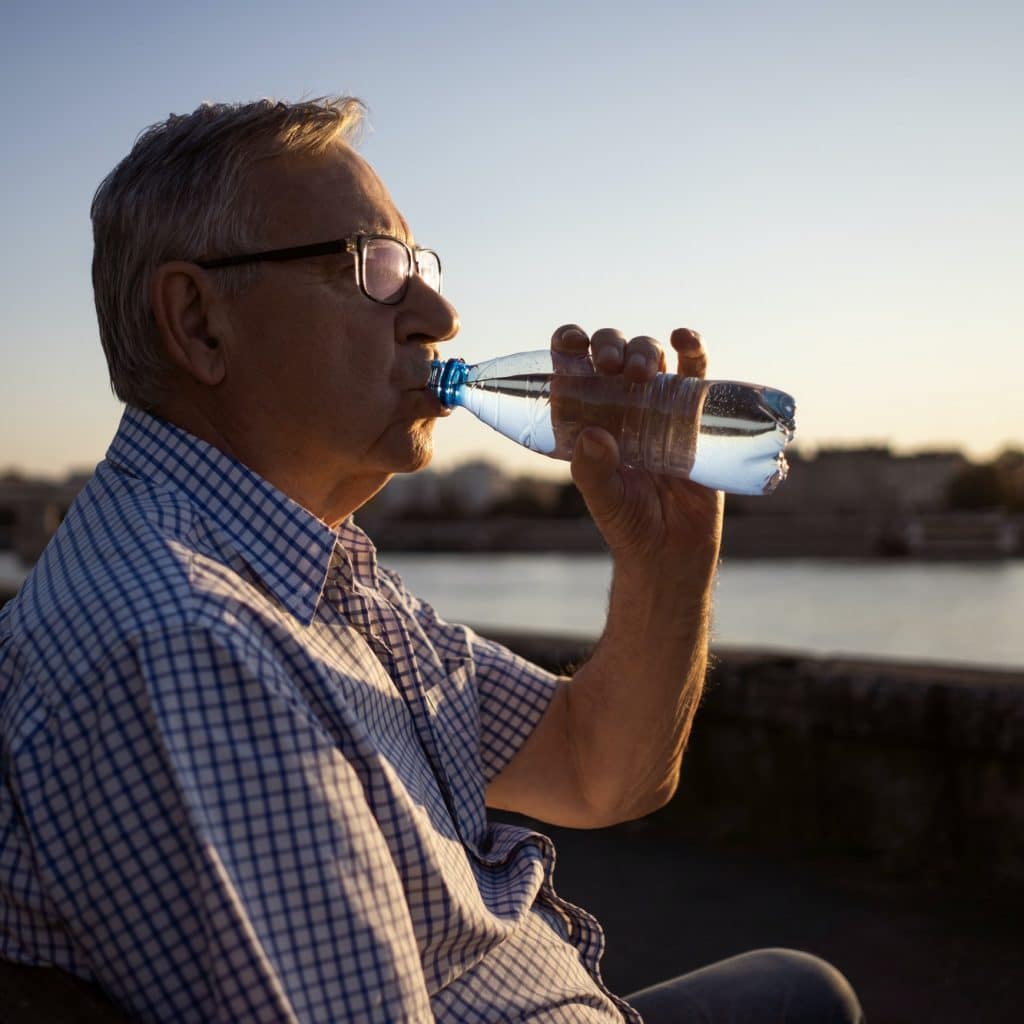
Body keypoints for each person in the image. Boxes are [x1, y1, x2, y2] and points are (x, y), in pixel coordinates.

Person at [0, 97, 863, 1023]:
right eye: (371, 268)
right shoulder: (190, 643)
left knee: (803, 987)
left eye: (417, 266)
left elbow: (599, 769)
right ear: (200, 322)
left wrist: (668, 560)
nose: (440, 315)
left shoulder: (301, 567)